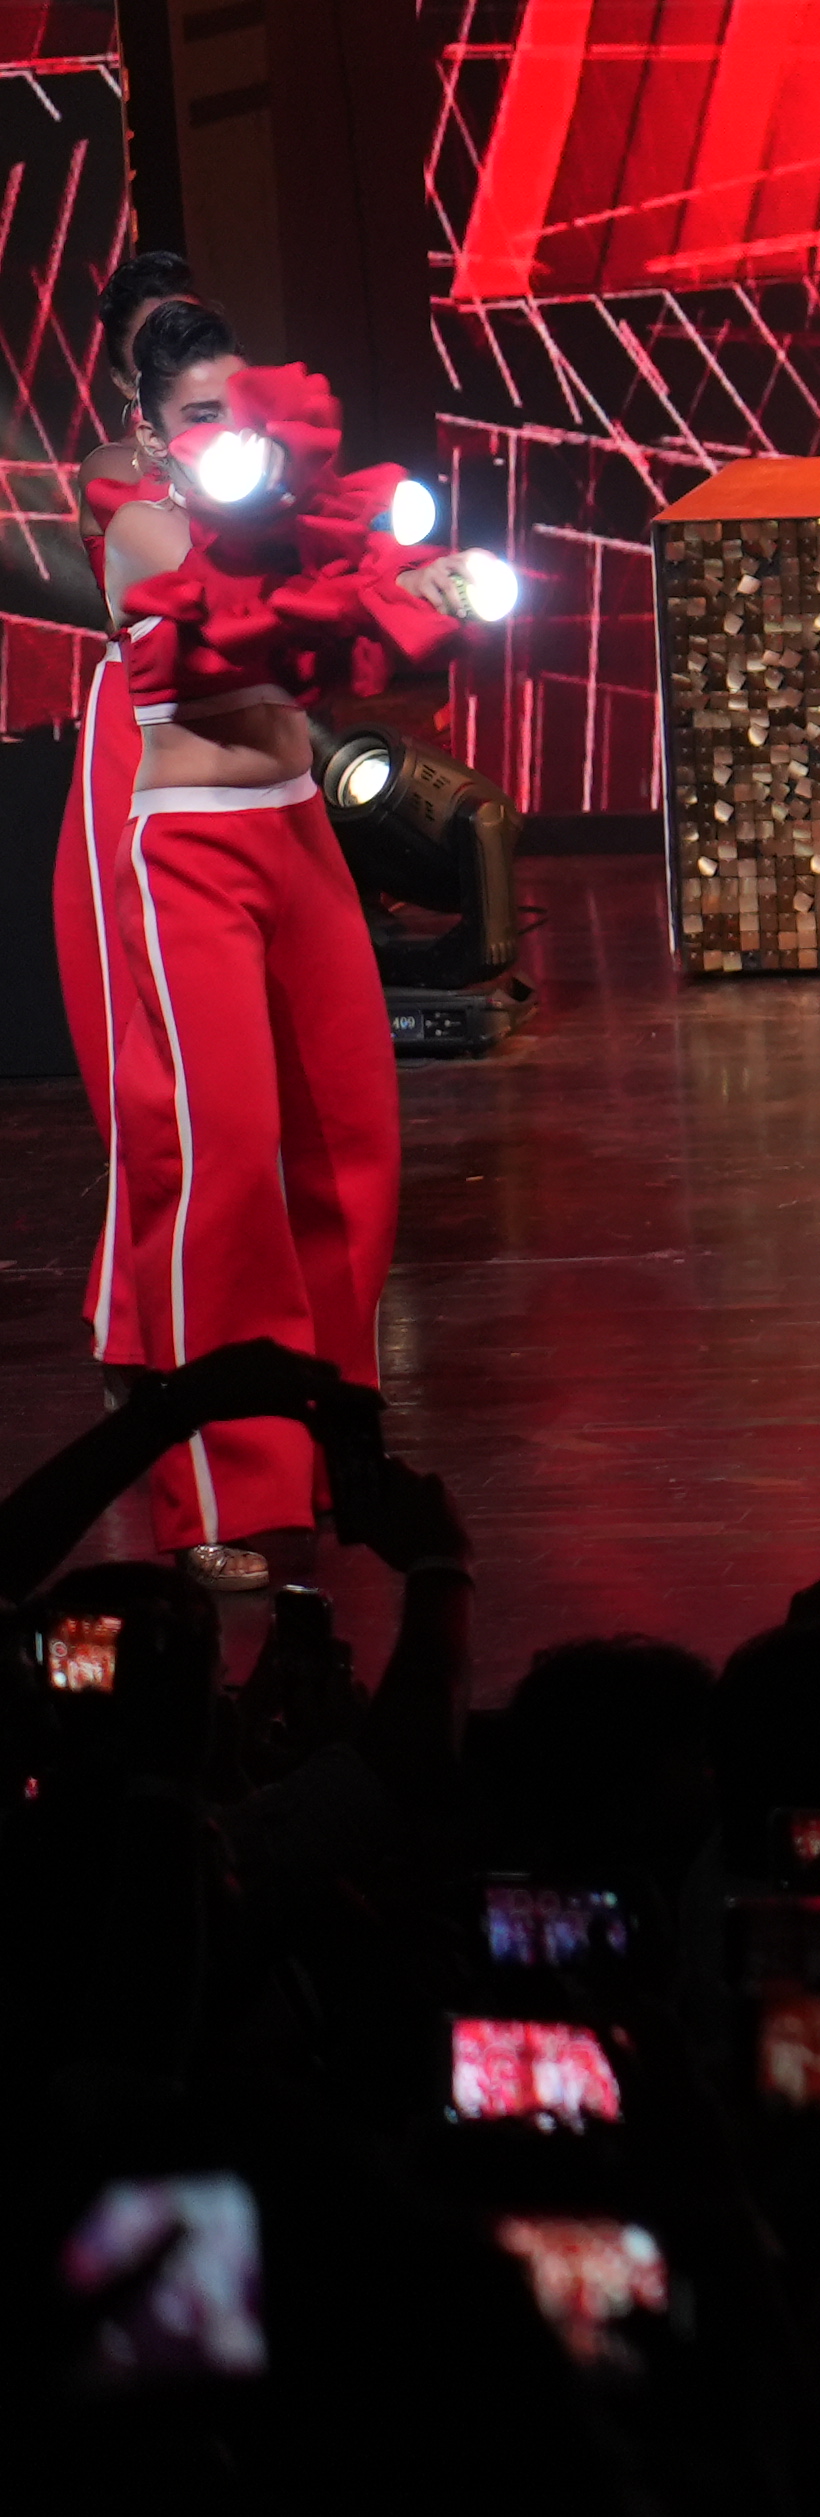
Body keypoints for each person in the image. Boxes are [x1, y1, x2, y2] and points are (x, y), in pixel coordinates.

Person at [58, 272, 492, 1568]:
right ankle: (216, 1492)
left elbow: (366, 629)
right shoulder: (137, 524)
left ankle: (330, 1446)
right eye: (195, 416)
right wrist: (380, 591)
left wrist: (433, 589)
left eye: (234, 412)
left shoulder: (287, 516)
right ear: (149, 433)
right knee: (224, 1166)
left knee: (349, 1155)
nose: (220, 438)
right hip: (192, 861)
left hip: (297, 839)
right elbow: (233, 637)